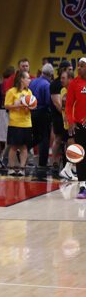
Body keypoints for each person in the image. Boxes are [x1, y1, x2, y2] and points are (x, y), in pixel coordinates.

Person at [4, 70, 36, 176]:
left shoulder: (29, 92)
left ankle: (22, 168)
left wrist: (31, 106)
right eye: (27, 78)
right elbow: (6, 106)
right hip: (15, 123)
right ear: (22, 79)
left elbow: (32, 106)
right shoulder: (12, 92)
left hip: (26, 123)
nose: (29, 80)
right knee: (13, 146)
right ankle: (11, 168)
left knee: (24, 147)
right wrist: (17, 105)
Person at [65, 57, 86, 197]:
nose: (79, 68)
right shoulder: (74, 83)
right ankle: (82, 186)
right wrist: (71, 121)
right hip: (80, 126)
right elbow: (68, 105)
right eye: (78, 65)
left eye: (82, 66)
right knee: (80, 156)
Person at [29, 63, 54, 172]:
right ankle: (42, 163)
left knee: (34, 136)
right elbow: (48, 101)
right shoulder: (47, 85)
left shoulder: (33, 81)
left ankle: (24, 148)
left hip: (31, 113)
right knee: (44, 138)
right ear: (51, 75)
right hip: (42, 113)